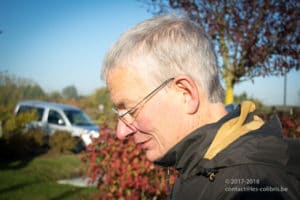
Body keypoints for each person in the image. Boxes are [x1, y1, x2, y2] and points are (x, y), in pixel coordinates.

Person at [102, 14, 300, 200]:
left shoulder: (247, 190)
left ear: (185, 93)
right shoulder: (203, 165)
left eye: (131, 111)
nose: (121, 132)